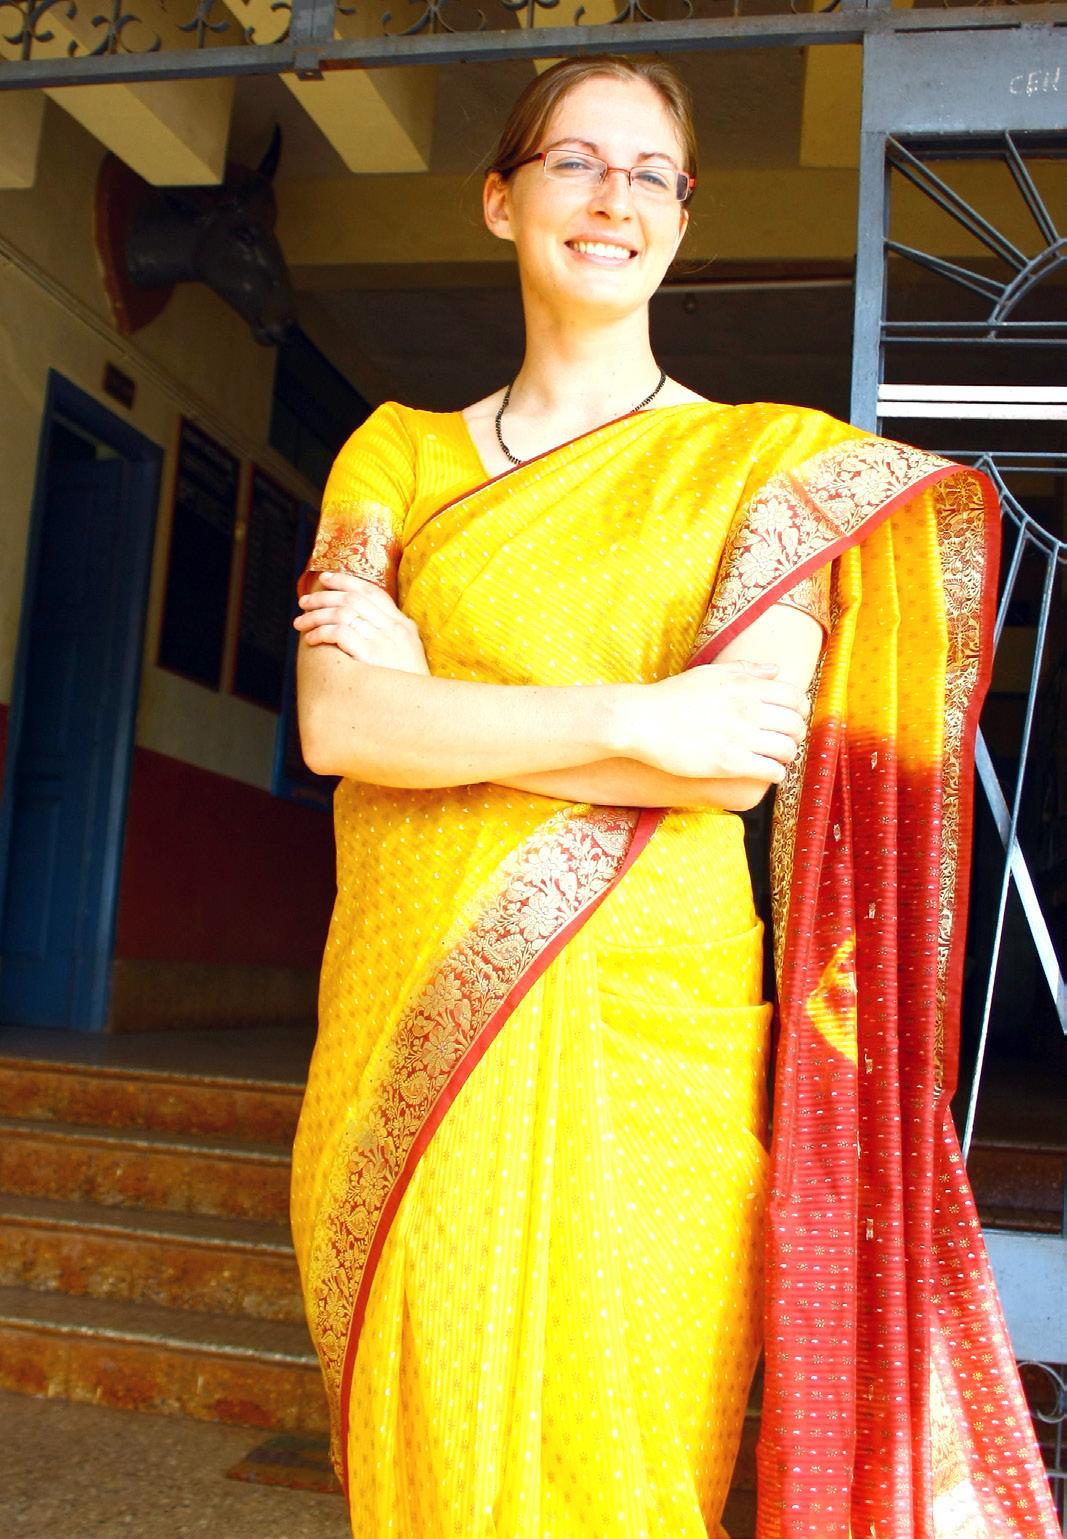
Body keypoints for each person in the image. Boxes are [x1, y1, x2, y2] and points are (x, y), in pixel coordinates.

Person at [288, 55, 1059, 1539]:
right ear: (502, 199)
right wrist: (637, 718)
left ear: (684, 217)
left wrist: (439, 710)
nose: (613, 199)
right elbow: (337, 720)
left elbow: (736, 755)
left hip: (662, 1035)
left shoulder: (765, 470)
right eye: (576, 162)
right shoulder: (399, 452)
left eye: (651, 174)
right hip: (412, 1021)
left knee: (639, 1451)